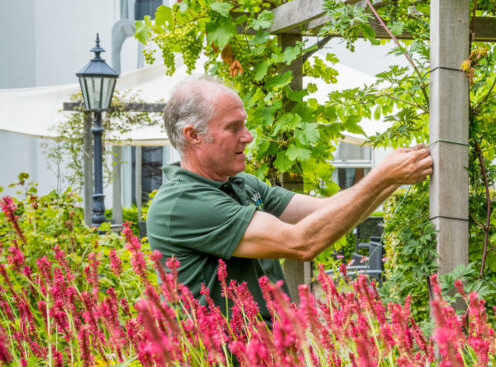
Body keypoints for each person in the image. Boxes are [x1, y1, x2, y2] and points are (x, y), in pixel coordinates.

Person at [146, 77, 432, 321]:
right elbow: (300, 242)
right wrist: (382, 177)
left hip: (268, 361)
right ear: (194, 135)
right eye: (234, 128)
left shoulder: (241, 183)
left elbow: (324, 210)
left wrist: (395, 177)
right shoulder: (183, 203)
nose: (247, 137)